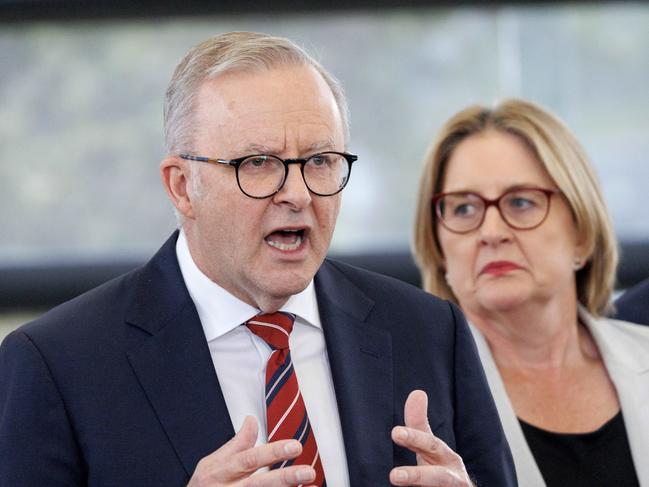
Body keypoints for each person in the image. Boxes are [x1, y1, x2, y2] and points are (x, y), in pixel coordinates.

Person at [0, 32, 516, 486]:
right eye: (259, 164)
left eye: (319, 161)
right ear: (183, 188)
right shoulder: (57, 365)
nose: (297, 193)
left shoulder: (428, 332)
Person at [413, 98, 649, 487]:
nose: (491, 232)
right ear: (438, 249)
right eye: (463, 209)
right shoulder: (407, 400)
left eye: (521, 202)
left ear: (582, 232)